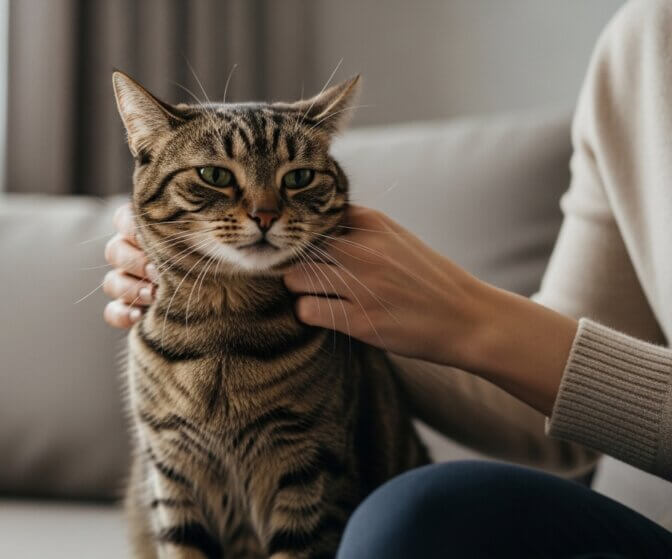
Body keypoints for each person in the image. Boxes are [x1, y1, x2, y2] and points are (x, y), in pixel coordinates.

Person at [101, 1, 672, 556]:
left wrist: (469, 314)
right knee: (415, 516)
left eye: (295, 179)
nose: (262, 209)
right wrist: (367, 310)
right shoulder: (644, 45)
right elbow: (554, 426)